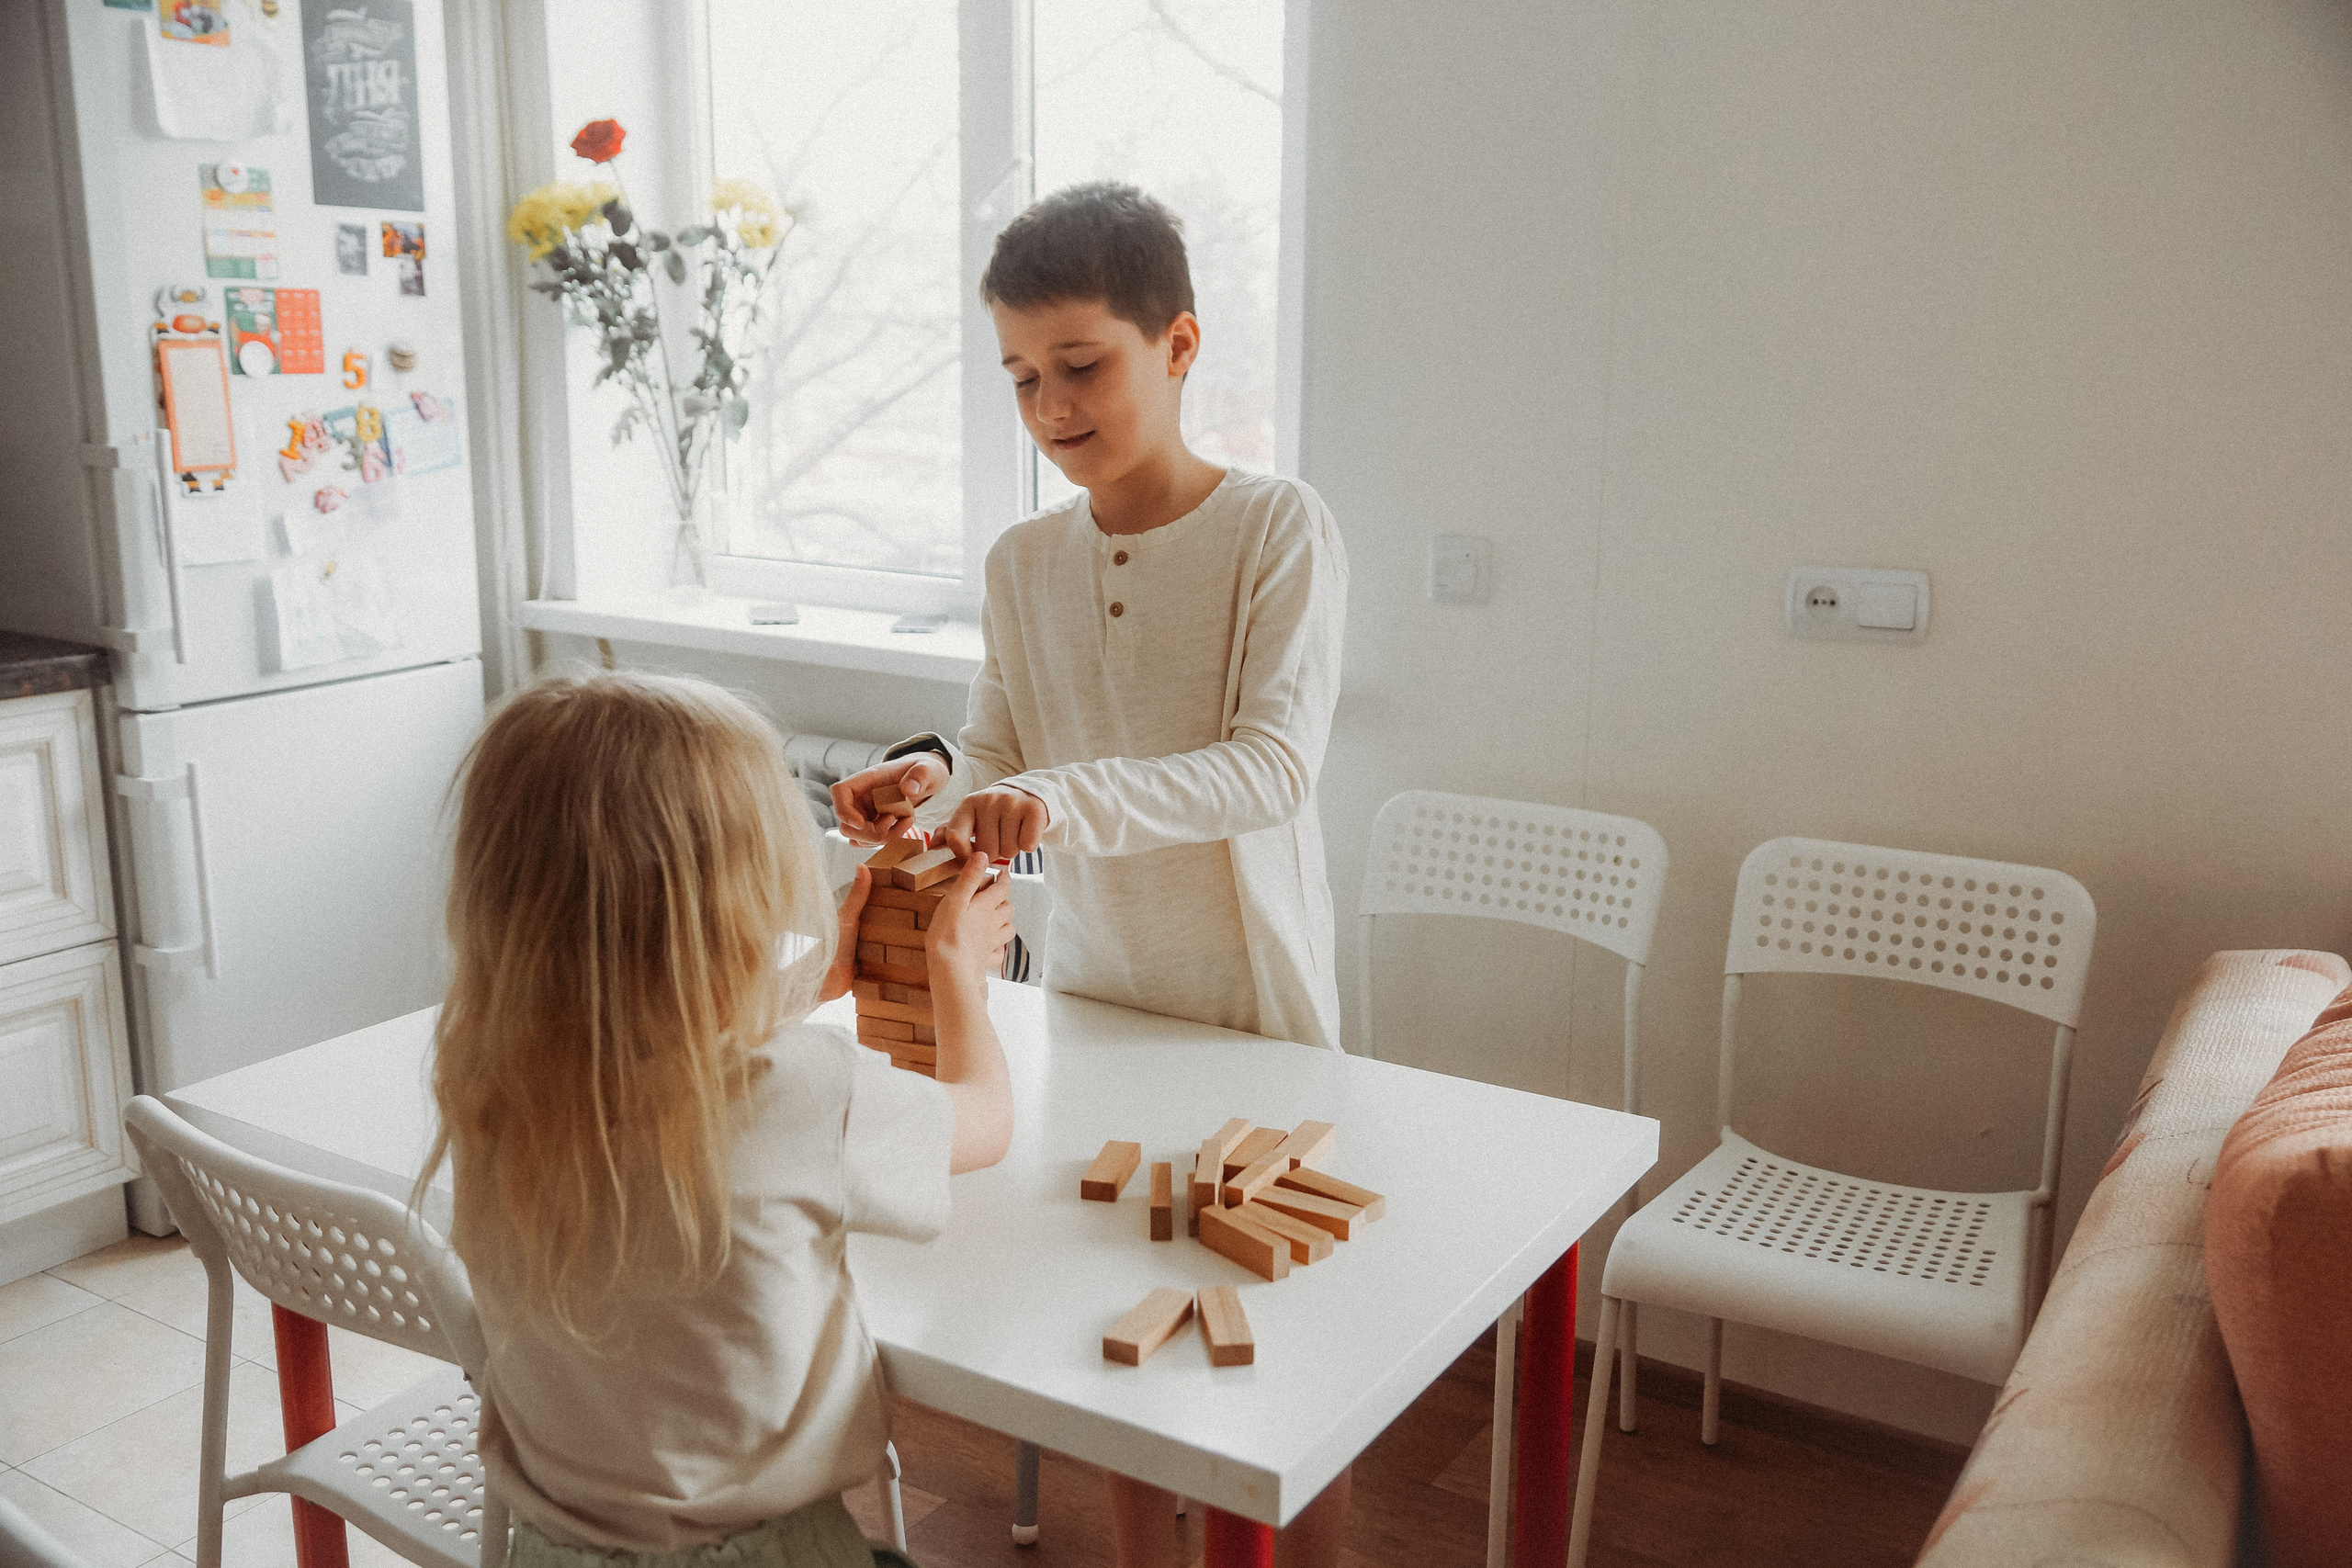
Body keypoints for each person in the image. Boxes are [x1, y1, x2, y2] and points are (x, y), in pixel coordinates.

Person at [831, 183, 1351, 1568]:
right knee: (1122, 1333)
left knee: (1280, 1358)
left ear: (1177, 346)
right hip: (1100, 995)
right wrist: (929, 779)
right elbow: (1003, 738)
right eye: (1019, 376)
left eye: (1081, 365)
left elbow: (1269, 768)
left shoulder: (1277, 530)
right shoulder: (1020, 559)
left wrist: (1050, 795)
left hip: (1253, 997)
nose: (1050, 404)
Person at [423, 671, 1014, 1568]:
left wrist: (816, 982)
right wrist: (958, 974)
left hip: (549, 1549)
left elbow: (651, 1042)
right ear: (745, 886)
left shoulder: (491, 1075)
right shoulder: (802, 1092)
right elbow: (984, 1119)